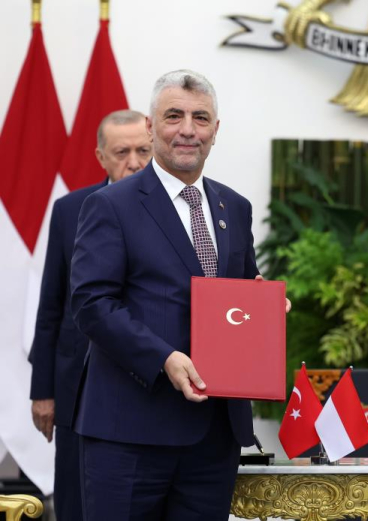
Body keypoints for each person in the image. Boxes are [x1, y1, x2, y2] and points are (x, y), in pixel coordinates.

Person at [70, 70, 289, 521]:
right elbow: (92, 304)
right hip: (129, 433)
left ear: (215, 130)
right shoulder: (111, 205)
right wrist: (163, 358)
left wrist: (264, 304)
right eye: (174, 116)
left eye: (200, 118)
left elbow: (240, 288)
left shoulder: (235, 207)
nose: (188, 129)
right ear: (151, 127)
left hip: (214, 438)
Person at [29, 109, 152, 521]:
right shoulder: (70, 210)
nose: (134, 162)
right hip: (76, 387)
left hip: (149, 384)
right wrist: (43, 391)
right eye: (122, 152)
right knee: (76, 502)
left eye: (143, 151)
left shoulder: (173, 210)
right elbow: (51, 305)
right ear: (101, 157)